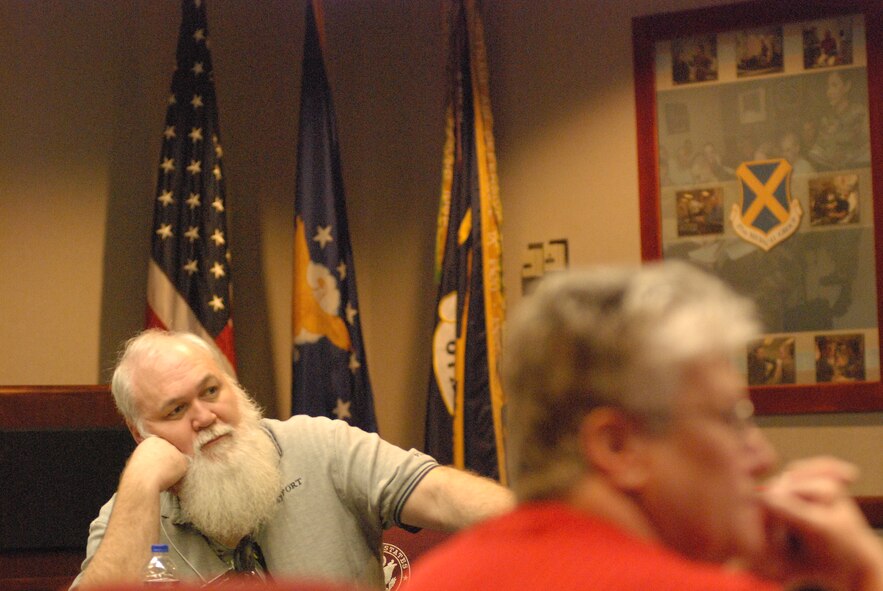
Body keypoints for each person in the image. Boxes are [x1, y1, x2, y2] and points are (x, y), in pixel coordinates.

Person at [407, 262, 883, 591]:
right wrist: (866, 574)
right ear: (618, 447)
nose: (764, 457)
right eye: (733, 419)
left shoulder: (430, 580)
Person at [70, 330, 514, 589]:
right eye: (176, 410)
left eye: (211, 391)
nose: (205, 417)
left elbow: (440, 493)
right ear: (140, 432)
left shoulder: (320, 444)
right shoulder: (127, 514)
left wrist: (554, 524)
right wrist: (142, 482)